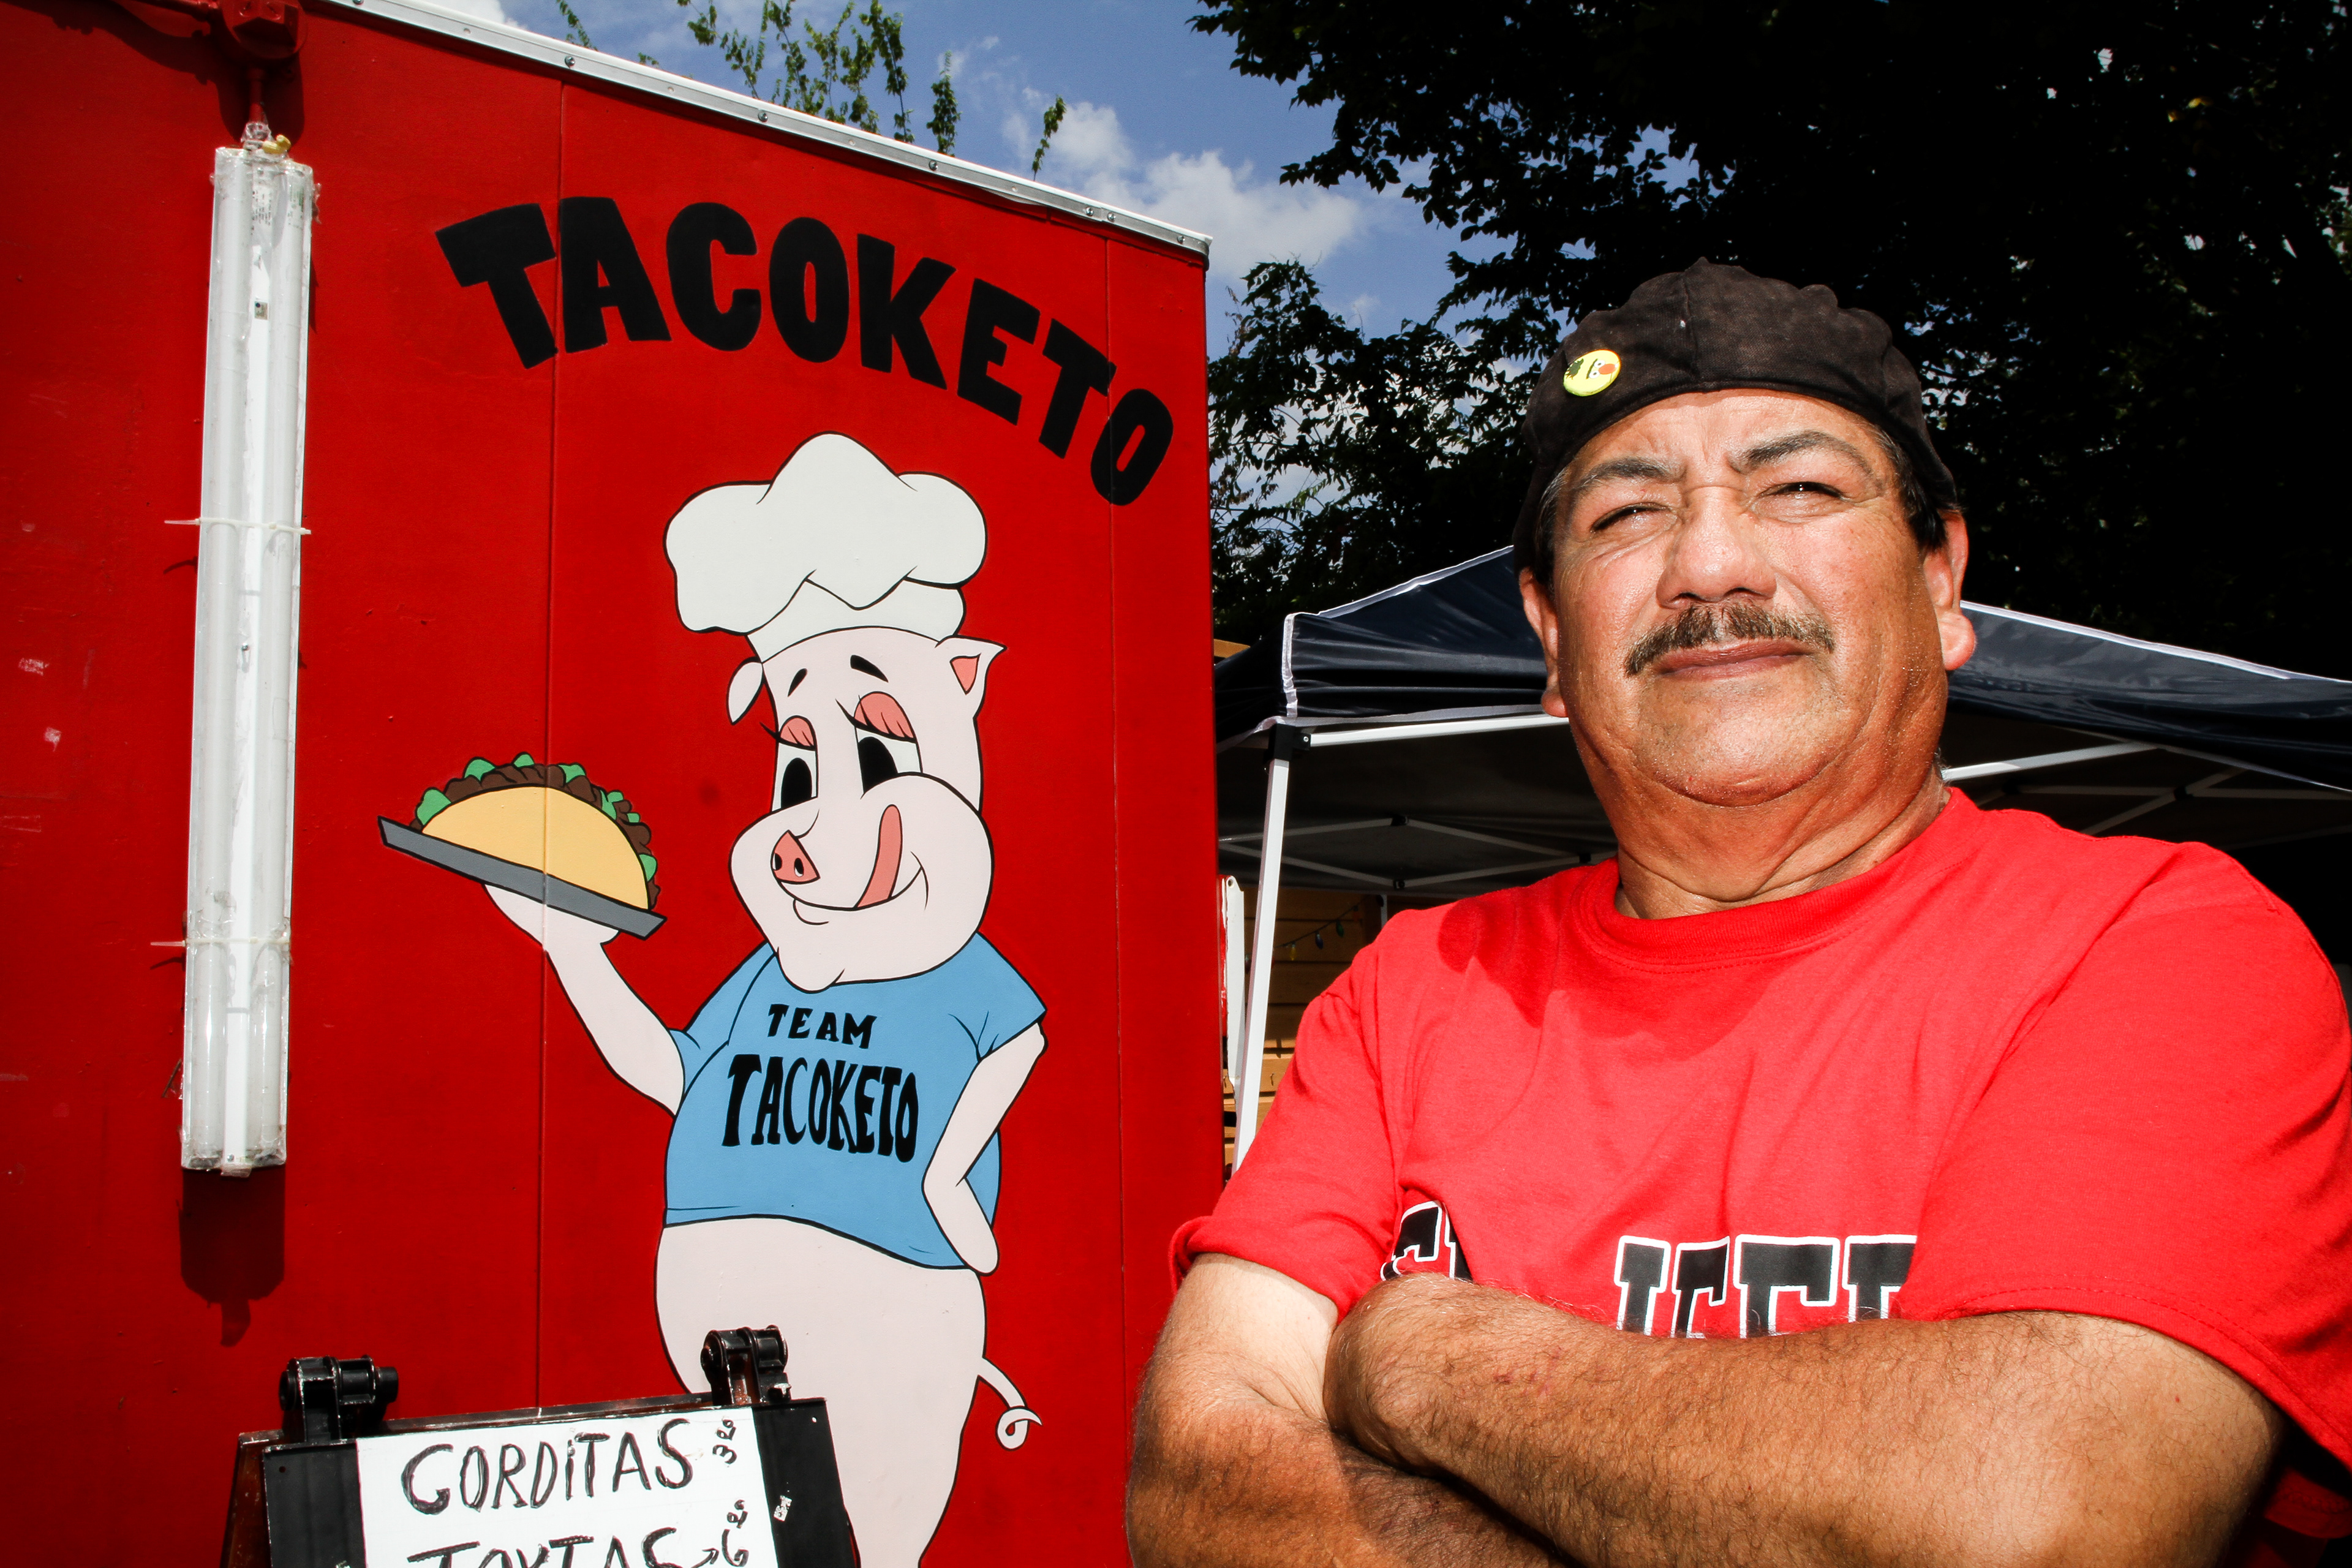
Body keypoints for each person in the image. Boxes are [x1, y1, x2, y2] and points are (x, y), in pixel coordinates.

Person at [1129, 261, 2352, 1568]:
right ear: (1552, 635)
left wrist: (1426, 1351)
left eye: (1801, 489)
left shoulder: (2159, 945)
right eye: (1626, 514)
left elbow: (2035, 1518)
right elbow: (1198, 1486)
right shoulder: (1409, 988)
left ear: (1943, 579)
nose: (1709, 564)